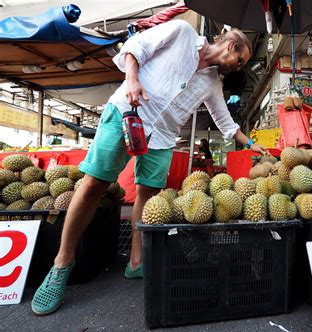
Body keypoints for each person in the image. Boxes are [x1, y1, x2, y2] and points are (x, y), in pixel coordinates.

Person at [31, 19, 266, 316]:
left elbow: (226, 122)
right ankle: (62, 263)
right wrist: (132, 79)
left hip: (163, 137)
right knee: (93, 185)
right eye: (240, 60)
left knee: (148, 196)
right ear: (232, 46)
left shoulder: (212, 83)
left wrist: (250, 144)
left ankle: (136, 262)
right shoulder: (181, 32)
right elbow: (135, 48)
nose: (238, 66)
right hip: (127, 113)